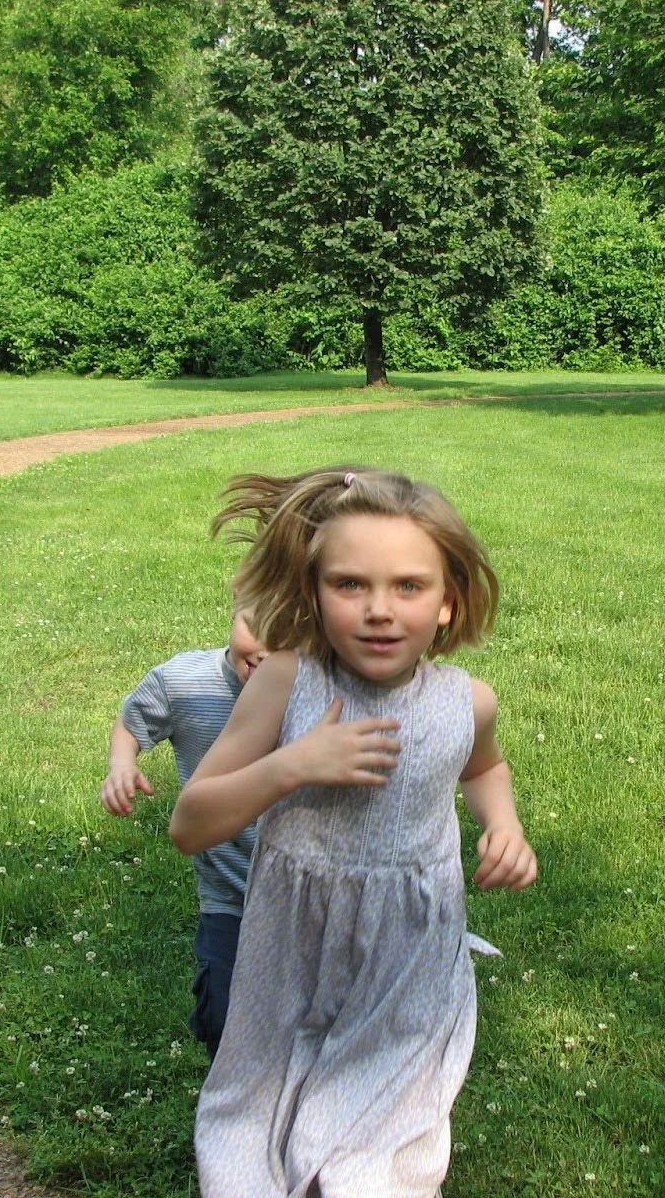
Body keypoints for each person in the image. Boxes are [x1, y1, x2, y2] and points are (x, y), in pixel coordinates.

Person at [170, 465, 537, 1197]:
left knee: (380, 1146)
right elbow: (190, 823)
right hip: (293, 939)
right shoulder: (286, 682)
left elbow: (484, 769)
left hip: (411, 946)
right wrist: (290, 766)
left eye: (408, 586)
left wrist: (505, 825)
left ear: (447, 601)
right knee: (257, 1120)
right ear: (313, 592)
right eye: (349, 585)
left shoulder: (469, 702)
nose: (379, 610)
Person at [100, 610, 268, 1058]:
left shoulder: (315, 691)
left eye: (288, 635)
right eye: (256, 626)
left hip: (305, 895)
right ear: (234, 610)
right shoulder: (185, 683)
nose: (266, 649)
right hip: (229, 894)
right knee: (224, 1017)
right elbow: (131, 722)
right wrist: (122, 764)